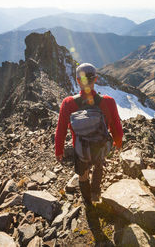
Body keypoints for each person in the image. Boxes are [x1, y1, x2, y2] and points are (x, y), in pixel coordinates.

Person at [55, 63, 123, 205]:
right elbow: (116, 125)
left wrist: (59, 150)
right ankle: (95, 193)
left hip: (80, 148)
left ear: (78, 81)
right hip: (100, 144)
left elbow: (61, 129)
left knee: (83, 175)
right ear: (96, 79)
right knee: (99, 165)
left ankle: (87, 202)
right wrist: (118, 142)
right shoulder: (108, 102)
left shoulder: (68, 103)